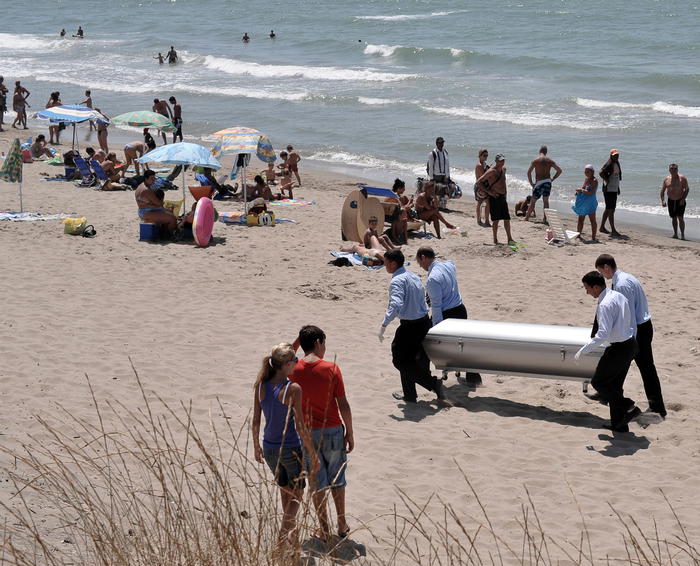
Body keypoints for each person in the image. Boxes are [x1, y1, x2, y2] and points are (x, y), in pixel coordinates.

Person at [251, 343, 318, 549]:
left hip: (269, 448)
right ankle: (282, 537)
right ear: (287, 365)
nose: (297, 364)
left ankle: (290, 535)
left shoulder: (261, 385)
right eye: (294, 361)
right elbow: (299, 425)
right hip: (289, 448)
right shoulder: (293, 389)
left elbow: (255, 420)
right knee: (298, 493)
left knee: (285, 491)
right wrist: (312, 453)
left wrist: (256, 446)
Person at [291, 325, 354, 541]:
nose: (325, 348)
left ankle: (324, 528)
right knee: (337, 478)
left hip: (307, 434)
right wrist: (350, 432)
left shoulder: (293, 369)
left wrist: (297, 341)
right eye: (324, 343)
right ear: (318, 342)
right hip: (333, 430)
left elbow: (280, 358)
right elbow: (343, 404)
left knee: (317, 482)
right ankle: (342, 522)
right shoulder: (331, 368)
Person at [594, 254, 667, 418]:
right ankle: (655, 406)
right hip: (643, 325)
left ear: (607, 267)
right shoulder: (625, 277)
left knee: (637, 367)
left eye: (601, 271)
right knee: (640, 367)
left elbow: (628, 316)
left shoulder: (621, 285)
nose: (602, 275)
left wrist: (627, 340)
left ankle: (654, 407)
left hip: (638, 329)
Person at [575, 271, 640, 433]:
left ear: (596, 287)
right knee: (614, 386)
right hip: (630, 345)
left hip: (619, 349)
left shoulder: (604, 305)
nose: (587, 292)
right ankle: (619, 425)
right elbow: (629, 319)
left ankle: (629, 407)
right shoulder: (617, 295)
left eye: (587, 288)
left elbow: (602, 334)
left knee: (598, 383)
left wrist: (584, 350)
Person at [379, 249, 446, 404]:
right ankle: (410, 395)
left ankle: (433, 383)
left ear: (393, 263)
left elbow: (396, 304)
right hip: (423, 323)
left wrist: (384, 324)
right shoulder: (413, 276)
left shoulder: (397, 280)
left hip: (411, 327)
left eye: (386, 262)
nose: (384, 265)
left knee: (399, 360)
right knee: (407, 360)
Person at [415, 246, 482, 386]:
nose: (421, 267)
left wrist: (436, 329)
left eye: (419, 263)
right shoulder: (448, 265)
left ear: (423, 257)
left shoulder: (432, 279)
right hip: (460, 309)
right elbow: (452, 264)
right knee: (464, 345)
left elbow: (437, 307)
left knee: (425, 343)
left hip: (448, 315)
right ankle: (473, 377)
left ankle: (425, 378)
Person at [475, 154, 514, 245]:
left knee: (507, 219)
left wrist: (505, 195)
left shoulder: (503, 170)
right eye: (500, 161)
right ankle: (495, 239)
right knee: (496, 220)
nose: (502, 162)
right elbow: (478, 182)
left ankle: (510, 238)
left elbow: (503, 183)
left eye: (503, 160)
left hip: (503, 197)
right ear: (496, 161)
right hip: (495, 197)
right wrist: (489, 192)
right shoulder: (491, 171)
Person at [524, 145, 562, 223]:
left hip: (539, 182)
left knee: (533, 201)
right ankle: (545, 219)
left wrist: (531, 182)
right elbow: (559, 170)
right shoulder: (550, 161)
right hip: (548, 182)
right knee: (546, 201)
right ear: (546, 152)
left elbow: (528, 172)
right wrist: (553, 179)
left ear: (539, 151)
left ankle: (527, 218)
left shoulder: (535, 160)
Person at [135, 170, 177, 235]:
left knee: (170, 212)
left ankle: (164, 233)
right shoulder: (146, 190)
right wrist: (162, 196)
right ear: (146, 179)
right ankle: (171, 236)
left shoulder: (142, 185)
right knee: (172, 219)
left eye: (154, 178)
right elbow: (159, 203)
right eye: (152, 178)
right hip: (146, 212)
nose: (154, 180)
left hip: (147, 210)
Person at [660, 163, 689, 240]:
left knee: (680, 217)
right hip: (671, 200)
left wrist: (683, 199)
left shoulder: (682, 178)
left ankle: (682, 235)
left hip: (680, 200)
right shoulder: (666, 179)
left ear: (677, 169)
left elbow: (687, 189)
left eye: (675, 169)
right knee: (673, 218)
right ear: (669, 170)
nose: (673, 170)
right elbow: (662, 191)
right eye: (671, 169)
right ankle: (675, 234)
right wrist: (663, 200)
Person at [571, 164, 599, 241]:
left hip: (591, 203)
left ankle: (593, 237)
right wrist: (578, 192)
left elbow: (591, 192)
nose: (586, 173)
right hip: (584, 202)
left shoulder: (594, 181)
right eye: (585, 172)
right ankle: (578, 235)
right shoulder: (586, 179)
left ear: (592, 172)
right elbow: (583, 187)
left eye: (588, 172)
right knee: (580, 219)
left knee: (592, 220)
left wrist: (581, 190)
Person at [599, 149, 622, 237]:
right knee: (610, 210)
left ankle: (602, 227)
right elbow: (601, 172)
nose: (616, 157)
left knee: (609, 209)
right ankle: (613, 230)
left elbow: (616, 176)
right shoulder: (609, 163)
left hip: (614, 189)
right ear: (611, 155)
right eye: (615, 155)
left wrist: (618, 188)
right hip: (608, 189)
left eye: (617, 155)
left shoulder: (617, 163)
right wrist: (606, 180)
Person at [387, 178, 412, 245]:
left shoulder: (391, 194)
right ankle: (405, 239)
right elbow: (402, 208)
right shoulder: (395, 196)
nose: (404, 190)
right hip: (393, 215)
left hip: (388, 214)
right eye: (403, 188)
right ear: (399, 188)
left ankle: (404, 238)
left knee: (405, 211)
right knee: (406, 210)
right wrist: (410, 202)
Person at [474, 148, 491, 226]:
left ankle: (485, 220)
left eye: (487, 155)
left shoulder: (484, 164)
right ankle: (479, 220)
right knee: (481, 203)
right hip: (480, 186)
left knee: (486, 202)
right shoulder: (479, 165)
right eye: (484, 155)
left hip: (484, 185)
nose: (486, 157)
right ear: (480, 156)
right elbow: (483, 177)